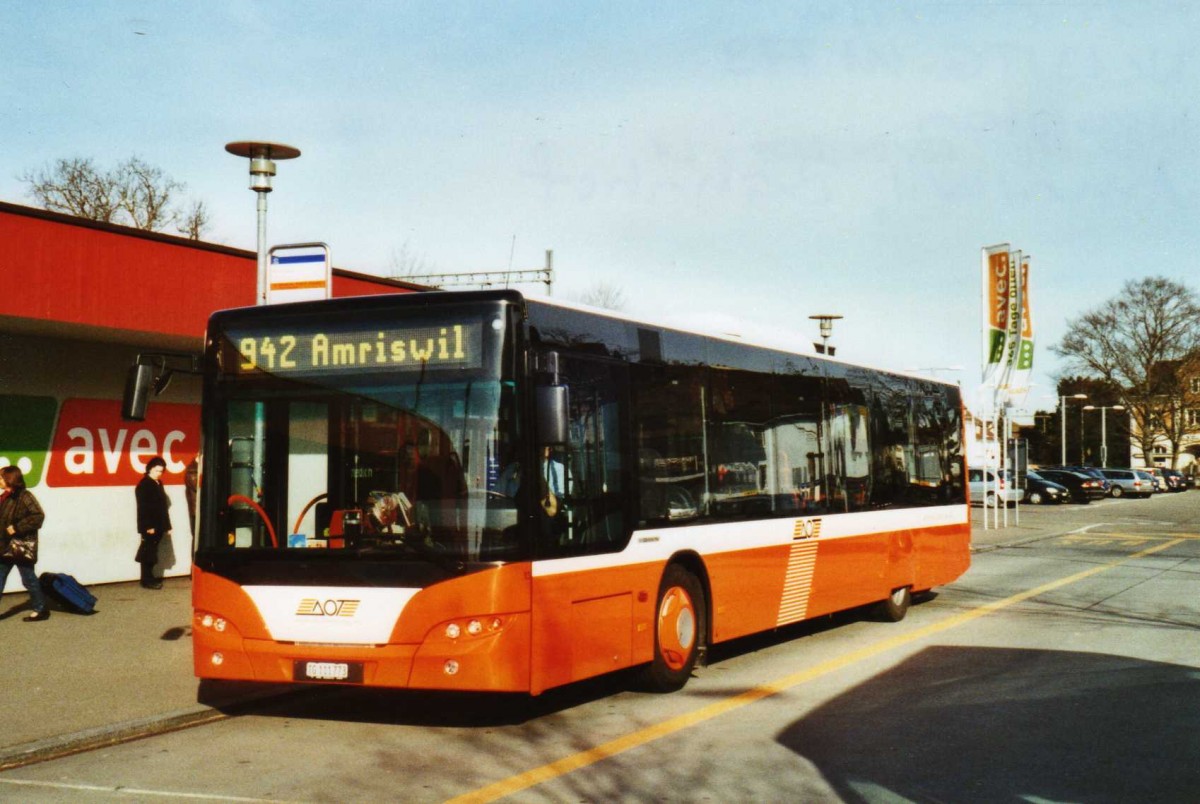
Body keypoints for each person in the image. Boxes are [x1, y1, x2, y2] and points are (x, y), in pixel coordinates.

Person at [0, 465, 49, 621]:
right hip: (5, 546)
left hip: (20, 546)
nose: (0, 480)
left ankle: (40, 609)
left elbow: (38, 516)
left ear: (10, 479)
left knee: (28, 579)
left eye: (1, 477)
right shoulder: (5, 497)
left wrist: (16, 528)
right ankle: (40, 607)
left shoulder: (25, 496)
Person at [135, 456, 172, 590]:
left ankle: (149, 578)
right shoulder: (144, 485)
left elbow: (163, 507)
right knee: (147, 553)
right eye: (156, 471)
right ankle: (146, 580)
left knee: (152, 552)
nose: (159, 474)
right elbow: (143, 508)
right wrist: (148, 526)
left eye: (161, 471)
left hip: (159, 525)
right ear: (150, 469)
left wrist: (167, 526)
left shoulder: (158, 483)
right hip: (150, 525)